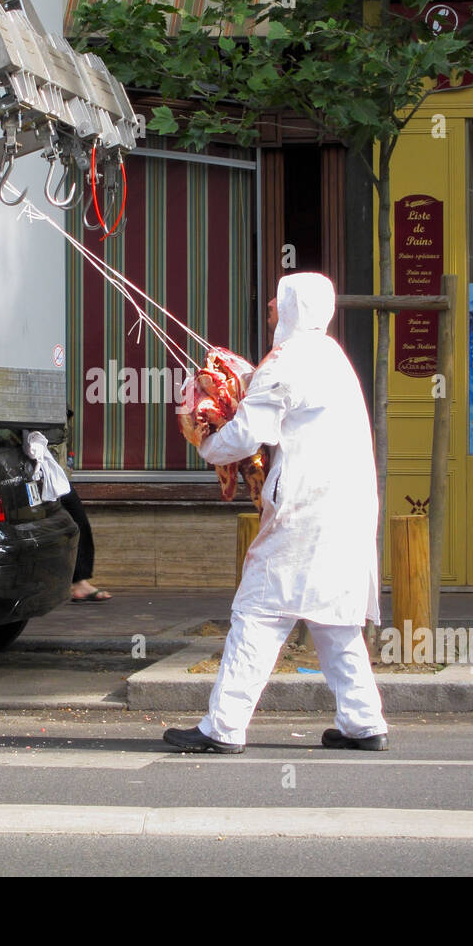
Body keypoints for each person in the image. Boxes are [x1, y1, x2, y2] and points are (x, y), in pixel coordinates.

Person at [162, 272, 388, 754]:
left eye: (278, 299)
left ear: (293, 307)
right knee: (333, 618)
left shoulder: (286, 362)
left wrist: (208, 445)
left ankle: (223, 727)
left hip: (306, 506)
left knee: (259, 611)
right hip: (347, 504)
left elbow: (248, 432)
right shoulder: (330, 355)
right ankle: (363, 721)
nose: (269, 306)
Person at [29, 411, 112, 602]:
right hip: (39, 470)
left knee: (76, 521)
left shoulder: (56, 402)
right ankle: (74, 582)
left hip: (53, 473)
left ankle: (78, 582)